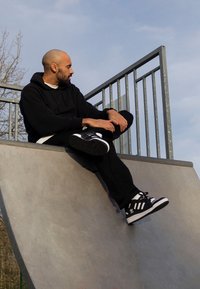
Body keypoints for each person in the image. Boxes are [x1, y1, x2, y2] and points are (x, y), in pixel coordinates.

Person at [19, 49, 169, 225]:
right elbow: (44, 123)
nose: (72, 70)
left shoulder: (70, 90)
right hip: (48, 139)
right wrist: (87, 122)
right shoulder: (31, 92)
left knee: (124, 117)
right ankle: (132, 202)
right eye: (68, 66)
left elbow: (91, 113)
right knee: (98, 143)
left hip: (78, 134)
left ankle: (94, 139)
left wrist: (110, 113)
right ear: (54, 67)